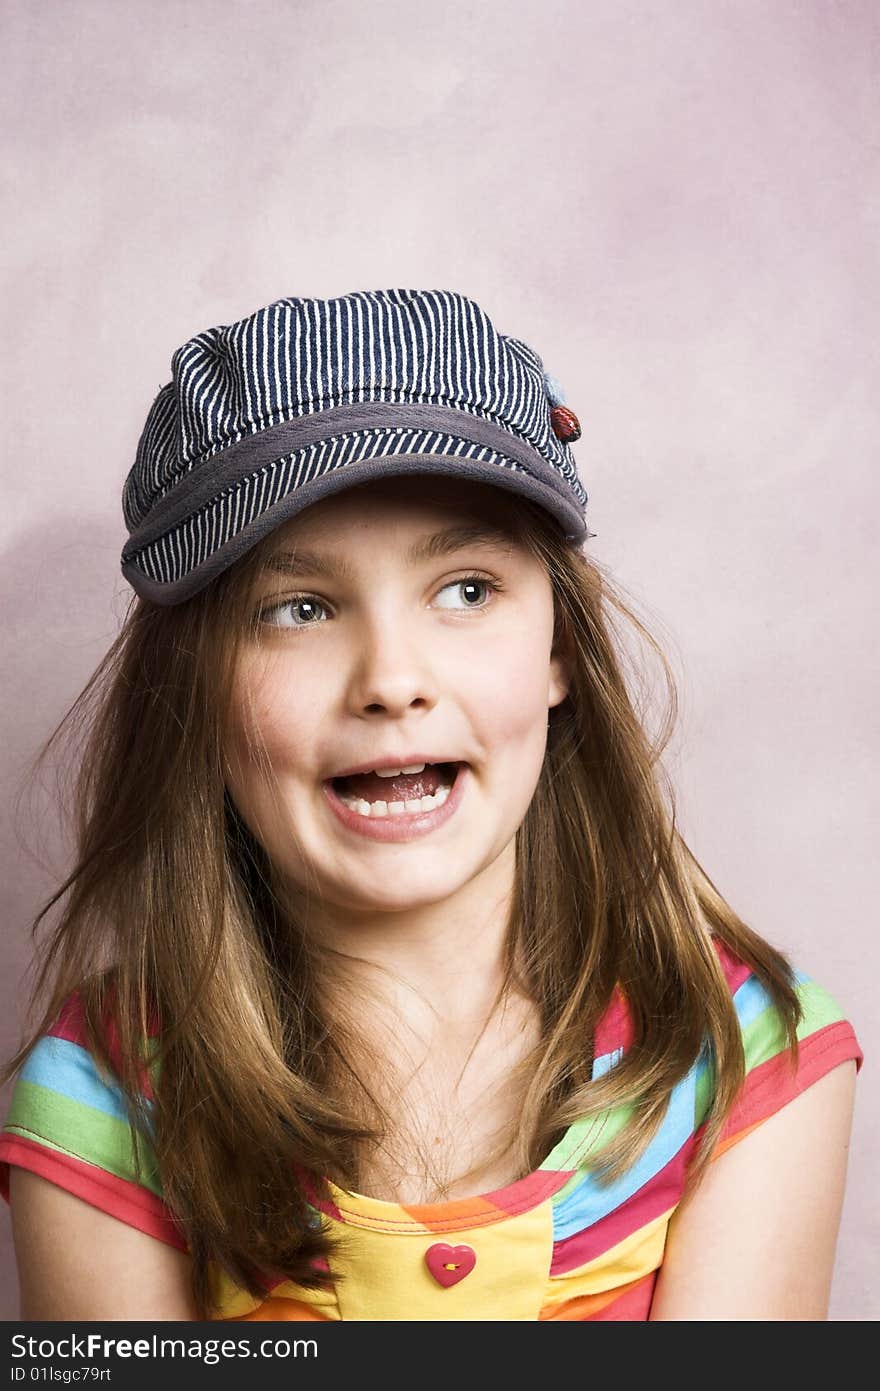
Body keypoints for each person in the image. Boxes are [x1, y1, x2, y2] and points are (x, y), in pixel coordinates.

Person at [0, 288, 863, 1322]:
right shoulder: (100, 1094)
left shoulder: (745, 1056)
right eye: (299, 608)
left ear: (558, 650)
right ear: (194, 687)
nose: (392, 679)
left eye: (465, 589)